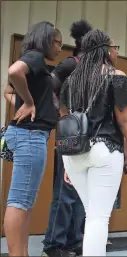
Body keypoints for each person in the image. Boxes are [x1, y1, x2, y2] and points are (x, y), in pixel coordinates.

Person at [59, 29, 127, 256]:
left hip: (73, 154)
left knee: (92, 214)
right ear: (105, 50)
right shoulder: (116, 76)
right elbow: (124, 121)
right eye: (114, 47)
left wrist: (69, 161)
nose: (116, 52)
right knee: (98, 217)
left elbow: (65, 117)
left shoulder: (70, 81)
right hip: (104, 150)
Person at [3, 21, 62, 256]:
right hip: (30, 135)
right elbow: (13, 72)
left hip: (29, 135)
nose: (60, 48)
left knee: (25, 201)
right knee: (19, 200)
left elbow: (8, 90)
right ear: (46, 39)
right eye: (58, 42)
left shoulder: (36, 62)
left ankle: (23, 253)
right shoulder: (35, 56)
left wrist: (26, 104)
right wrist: (28, 103)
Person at [41, 19, 92, 257]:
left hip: (88, 138)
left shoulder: (94, 70)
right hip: (70, 136)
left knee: (82, 192)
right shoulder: (71, 64)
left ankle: (75, 241)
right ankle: (54, 245)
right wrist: (61, 113)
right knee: (65, 190)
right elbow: (48, 87)